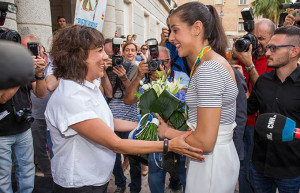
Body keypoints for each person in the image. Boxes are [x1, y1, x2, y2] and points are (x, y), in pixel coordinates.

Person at [45, 25, 203, 192]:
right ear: (78, 56)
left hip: (94, 179)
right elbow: (117, 144)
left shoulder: (88, 86)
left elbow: (105, 122)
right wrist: (168, 145)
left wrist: (149, 126)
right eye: (100, 51)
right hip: (79, 184)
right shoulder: (71, 97)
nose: (107, 57)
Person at [156, 2, 239, 192]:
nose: (171, 37)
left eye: (175, 30)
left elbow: (204, 142)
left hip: (210, 162)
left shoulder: (209, 69)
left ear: (197, 28)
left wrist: (167, 133)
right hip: (214, 159)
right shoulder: (213, 62)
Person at [124, 46, 189, 193]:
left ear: (170, 61)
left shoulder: (181, 76)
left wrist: (164, 81)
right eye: (155, 62)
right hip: (154, 139)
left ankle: (175, 184)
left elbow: (183, 100)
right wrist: (139, 76)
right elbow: (128, 100)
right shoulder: (146, 79)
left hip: (177, 135)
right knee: (155, 179)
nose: (159, 66)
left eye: (164, 62)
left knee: (183, 177)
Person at [247, 26, 300, 193]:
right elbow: (249, 109)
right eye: (268, 47)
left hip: (291, 171)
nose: (267, 52)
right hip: (260, 165)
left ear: (294, 51)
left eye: (274, 48)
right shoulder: (262, 81)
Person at [232, 18, 275, 193]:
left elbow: (266, 94)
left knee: (254, 172)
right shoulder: (245, 54)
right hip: (241, 122)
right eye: (253, 36)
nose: (256, 42)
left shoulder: (272, 61)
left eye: (262, 38)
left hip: (258, 126)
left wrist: (250, 66)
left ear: (273, 39)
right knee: (242, 169)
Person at [0, 34, 47, 193]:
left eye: (33, 48)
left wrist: (39, 74)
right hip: (2, 131)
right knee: (3, 175)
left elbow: (40, 94)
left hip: (24, 127)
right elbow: (3, 98)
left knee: (27, 169)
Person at [104, 39, 141, 193]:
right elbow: (109, 93)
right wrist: (103, 72)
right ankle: (120, 182)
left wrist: (125, 78)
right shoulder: (108, 67)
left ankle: (135, 188)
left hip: (129, 116)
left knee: (134, 158)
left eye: (133, 50)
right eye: (126, 50)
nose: (129, 53)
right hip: (112, 115)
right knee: (112, 156)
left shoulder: (134, 68)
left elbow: (135, 94)